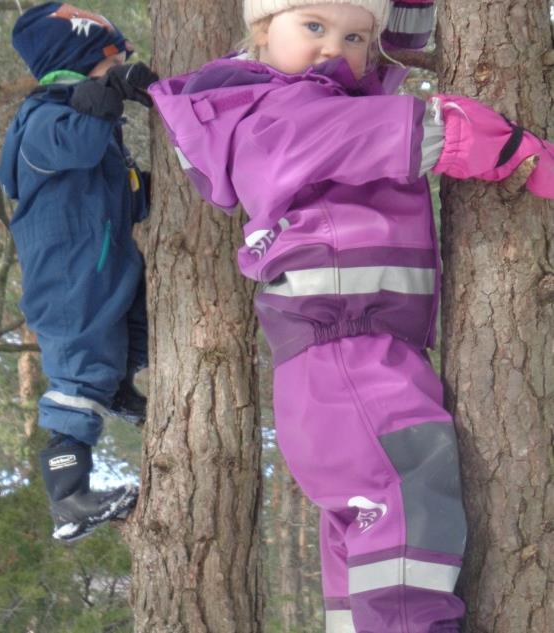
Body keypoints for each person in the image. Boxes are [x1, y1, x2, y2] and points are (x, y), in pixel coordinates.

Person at [149, 0, 554, 630]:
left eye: (355, 36)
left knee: (365, 526)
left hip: (350, 355)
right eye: (314, 27)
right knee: (406, 491)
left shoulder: (304, 96)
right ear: (261, 31)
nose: (336, 47)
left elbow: (388, 48)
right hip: (345, 348)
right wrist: (481, 140)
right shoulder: (262, 111)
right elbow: (352, 132)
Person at [0, 2, 158, 542]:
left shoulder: (90, 116)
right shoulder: (41, 119)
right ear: (82, 63)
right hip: (66, 276)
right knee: (78, 365)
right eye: (115, 56)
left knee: (138, 323)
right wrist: (111, 97)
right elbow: (80, 144)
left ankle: (116, 388)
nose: (128, 59)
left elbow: (120, 193)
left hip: (103, 261)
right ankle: (68, 498)